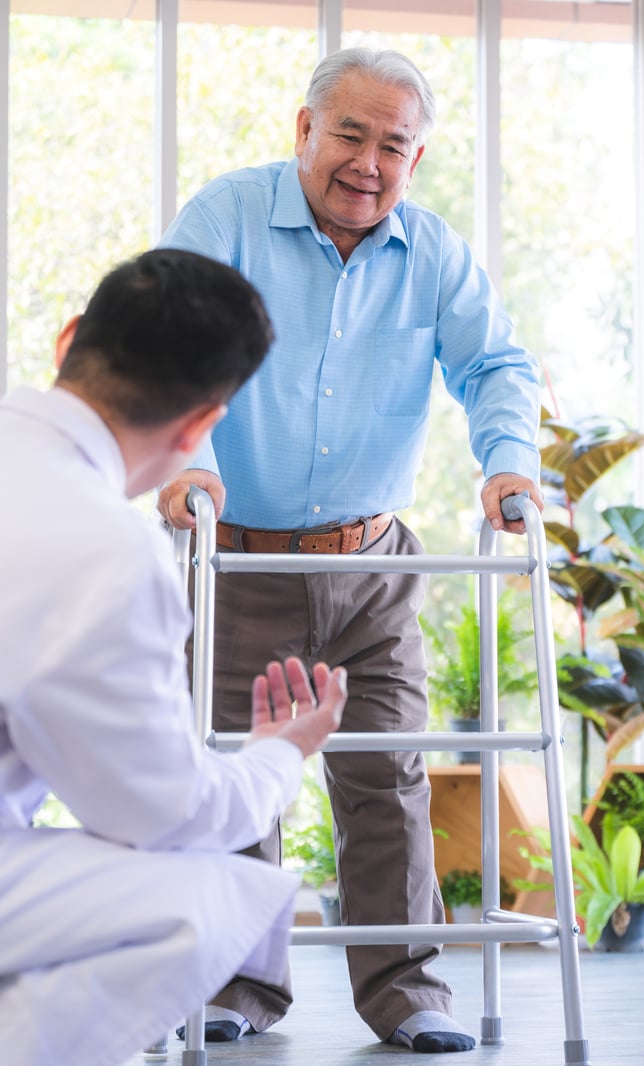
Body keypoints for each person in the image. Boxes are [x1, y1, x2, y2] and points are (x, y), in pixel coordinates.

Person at [157, 47, 543, 1055]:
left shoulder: (434, 251)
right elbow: (169, 344)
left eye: (394, 146)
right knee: (237, 778)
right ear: (304, 130)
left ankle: (409, 993)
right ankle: (234, 984)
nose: (369, 163)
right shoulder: (229, 218)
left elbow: (495, 362)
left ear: (416, 159)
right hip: (238, 562)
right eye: (350, 135)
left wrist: (508, 463)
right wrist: (187, 461)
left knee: (387, 775)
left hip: (372, 566)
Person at [0, 248, 348, 1066]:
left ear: (68, 339)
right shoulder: (107, 549)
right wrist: (279, 756)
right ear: (200, 426)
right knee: (207, 893)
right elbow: (159, 813)